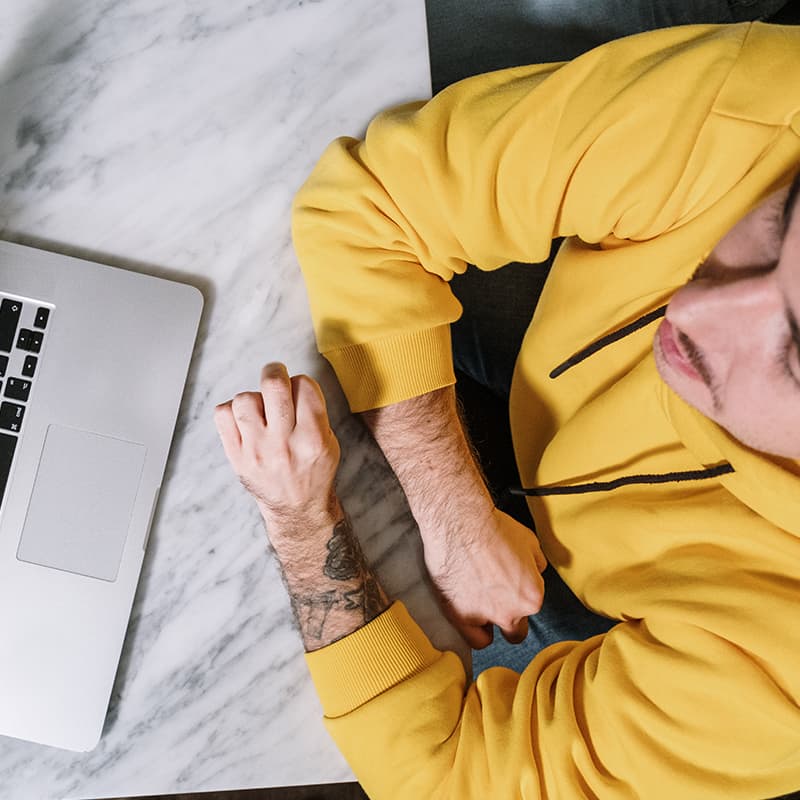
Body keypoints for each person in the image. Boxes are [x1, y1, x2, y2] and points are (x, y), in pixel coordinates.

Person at [214, 20, 800, 800]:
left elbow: (451, 777)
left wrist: (302, 525)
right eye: (775, 228)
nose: (693, 310)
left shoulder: (778, 696)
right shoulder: (771, 106)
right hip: (548, 342)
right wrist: (450, 505)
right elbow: (377, 201)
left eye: (796, 356)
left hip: (606, 605)